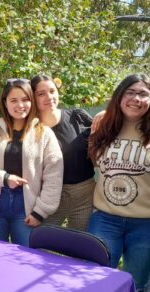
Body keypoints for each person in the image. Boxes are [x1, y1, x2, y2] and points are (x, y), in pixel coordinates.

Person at [87, 73, 150, 291]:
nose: (136, 99)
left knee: (135, 286)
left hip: (149, 225)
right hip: (105, 220)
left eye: (143, 94)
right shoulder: (103, 124)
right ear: (119, 96)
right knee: (94, 281)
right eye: (130, 92)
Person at [0, 79, 63, 246]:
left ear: (32, 102)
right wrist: (4, 178)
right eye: (14, 100)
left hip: (27, 207)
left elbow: (53, 177)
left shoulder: (45, 134)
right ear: (5, 102)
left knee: (26, 261)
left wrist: (40, 212)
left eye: (25, 99)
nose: (20, 105)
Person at [31, 74, 95, 231]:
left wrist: (103, 114)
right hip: (49, 197)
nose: (49, 97)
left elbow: (106, 132)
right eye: (41, 93)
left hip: (84, 196)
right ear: (32, 98)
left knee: (79, 248)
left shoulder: (77, 118)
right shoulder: (29, 129)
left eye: (52, 91)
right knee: (41, 246)